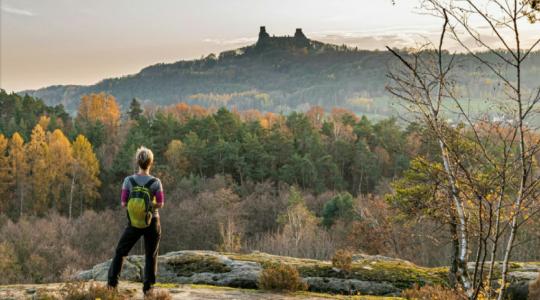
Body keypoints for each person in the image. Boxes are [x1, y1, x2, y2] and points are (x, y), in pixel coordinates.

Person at [107, 146, 164, 295]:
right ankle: (148, 291)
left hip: (133, 222)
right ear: (151, 163)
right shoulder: (156, 182)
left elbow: (124, 203)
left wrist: (136, 205)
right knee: (151, 256)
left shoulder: (128, 180)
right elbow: (160, 203)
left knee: (120, 252)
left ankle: (112, 286)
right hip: (152, 221)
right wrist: (148, 206)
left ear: (138, 162)